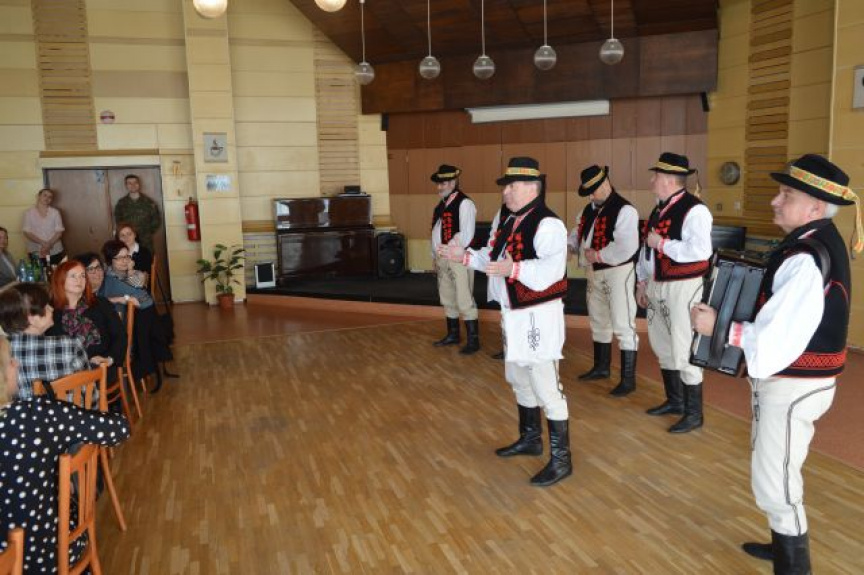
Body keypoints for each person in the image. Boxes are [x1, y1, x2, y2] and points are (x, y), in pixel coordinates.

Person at [691, 154, 860, 574]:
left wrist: (721, 327)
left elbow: (778, 338)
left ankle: (794, 565)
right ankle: (784, 541)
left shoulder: (806, 258)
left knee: (776, 482)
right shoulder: (816, 240)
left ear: (815, 207)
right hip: (797, 382)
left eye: (787, 195)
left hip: (794, 385)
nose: (775, 201)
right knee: (773, 468)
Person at [440, 157, 571, 487]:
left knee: (546, 384)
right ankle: (530, 438)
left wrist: (514, 269)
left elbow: (551, 271)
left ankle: (561, 459)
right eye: (506, 187)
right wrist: (465, 256)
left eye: (512, 186)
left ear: (532, 188)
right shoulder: (510, 220)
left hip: (538, 313)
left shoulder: (548, 225)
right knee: (518, 377)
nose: (505, 192)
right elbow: (492, 256)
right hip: (512, 311)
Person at [0, 335, 130, 574]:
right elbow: (119, 429)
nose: (16, 364)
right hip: (49, 554)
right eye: (10, 361)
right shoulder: (36, 415)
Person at [636, 152, 713, 433]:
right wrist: (642, 281)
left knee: (684, 346)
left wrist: (662, 244)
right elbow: (646, 251)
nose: (651, 181)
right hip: (657, 283)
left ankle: (694, 414)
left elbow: (701, 252)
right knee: (663, 345)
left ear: (669, 180)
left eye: (655, 177)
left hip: (683, 285)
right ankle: (675, 401)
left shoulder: (696, 210)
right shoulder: (659, 209)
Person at [568, 166, 640, 396]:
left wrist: (598, 255)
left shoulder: (625, 210)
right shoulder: (588, 210)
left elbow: (627, 247)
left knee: (623, 324)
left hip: (617, 272)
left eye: (593, 191)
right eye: (588, 193)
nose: (590, 197)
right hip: (594, 272)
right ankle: (601, 367)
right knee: (598, 321)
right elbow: (578, 232)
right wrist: (571, 245)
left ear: (606, 184)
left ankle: (628, 380)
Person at [101, 240, 171, 392]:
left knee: (148, 317)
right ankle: (149, 361)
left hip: (133, 324)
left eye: (127, 256)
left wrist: (131, 272)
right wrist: (128, 297)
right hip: (121, 330)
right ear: (110, 260)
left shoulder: (125, 273)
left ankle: (148, 362)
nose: (124, 261)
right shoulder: (111, 280)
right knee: (149, 316)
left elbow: (141, 285)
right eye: (119, 258)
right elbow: (145, 298)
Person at [0, 283, 88, 400]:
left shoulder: (3, 351)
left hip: (19, 412)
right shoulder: (70, 345)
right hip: (67, 411)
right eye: (46, 307)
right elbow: (90, 394)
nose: (51, 308)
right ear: (32, 319)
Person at [47, 261, 126, 387]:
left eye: (82, 276)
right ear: (60, 280)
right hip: (65, 372)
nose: (79, 280)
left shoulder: (101, 304)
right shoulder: (50, 311)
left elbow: (120, 336)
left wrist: (109, 359)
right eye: (73, 276)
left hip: (100, 367)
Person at [429, 164, 480, 355]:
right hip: (442, 257)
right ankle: (453, 334)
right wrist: (435, 255)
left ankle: (473, 340)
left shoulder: (464, 203)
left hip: (458, 257)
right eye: (438, 184)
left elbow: (467, 233)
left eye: (442, 184)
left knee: (464, 298)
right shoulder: (440, 206)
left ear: (452, 182)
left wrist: (451, 249)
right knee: (447, 296)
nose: (439, 187)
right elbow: (435, 231)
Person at [113, 174, 161, 253]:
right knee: (128, 259)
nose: (133, 185)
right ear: (126, 185)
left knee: (147, 259)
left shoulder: (149, 202)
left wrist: (146, 232)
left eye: (135, 182)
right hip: (128, 240)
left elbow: (156, 221)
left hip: (145, 240)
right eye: (129, 183)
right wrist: (126, 233)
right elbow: (119, 221)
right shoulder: (121, 203)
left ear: (139, 184)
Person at [22, 188, 65, 265]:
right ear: (38, 196)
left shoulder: (55, 212)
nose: (47, 198)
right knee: (38, 271)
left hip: (54, 250)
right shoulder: (28, 213)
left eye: (50, 197)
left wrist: (49, 244)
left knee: (55, 270)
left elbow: (59, 231)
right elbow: (27, 232)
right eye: (45, 195)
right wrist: (43, 243)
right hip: (35, 250)